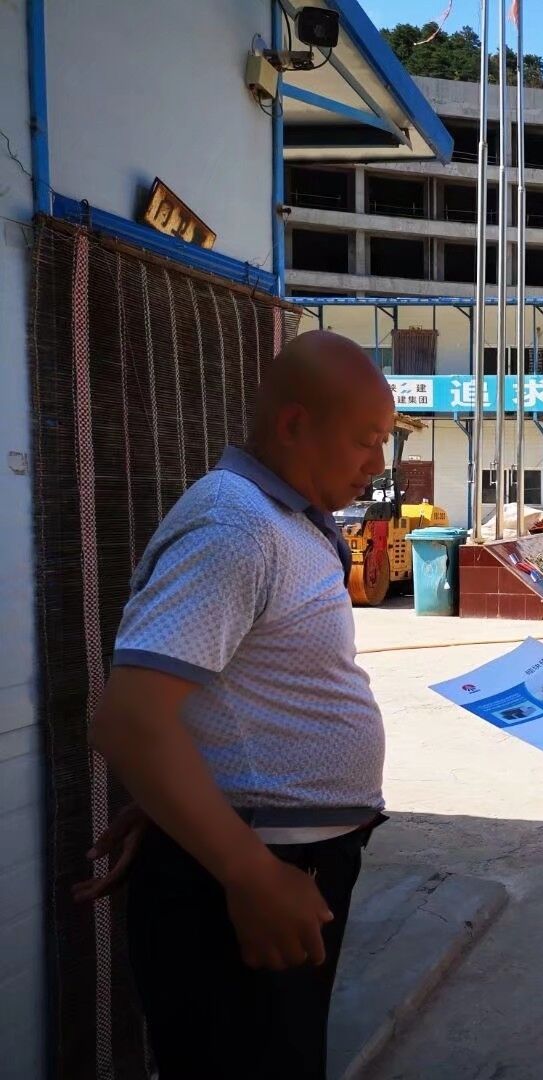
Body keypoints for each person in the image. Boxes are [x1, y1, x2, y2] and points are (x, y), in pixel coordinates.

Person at [79, 330, 396, 1079]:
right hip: (248, 881)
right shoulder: (237, 528)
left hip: (273, 861)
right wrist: (248, 869)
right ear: (294, 425)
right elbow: (130, 720)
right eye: (365, 441)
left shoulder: (287, 520)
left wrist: (181, 805)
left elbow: (221, 693)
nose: (378, 464)